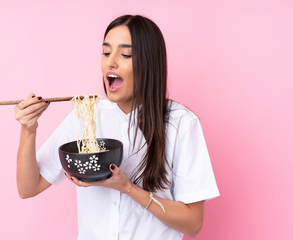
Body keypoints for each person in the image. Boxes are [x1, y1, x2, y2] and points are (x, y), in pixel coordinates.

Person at [14, 15, 219, 240]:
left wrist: (128, 188)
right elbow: (28, 188)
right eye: (106, 52)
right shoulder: (85, 116)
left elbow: (193, 224)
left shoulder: (180, 123)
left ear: (149, 64)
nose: (111, 63)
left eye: (125, 55)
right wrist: (29, 129)